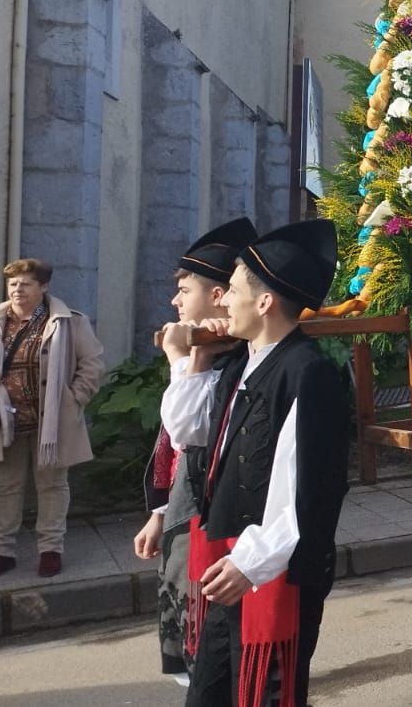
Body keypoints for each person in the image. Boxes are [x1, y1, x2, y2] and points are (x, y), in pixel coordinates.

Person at [159, 219, 349, 707]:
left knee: (263, 694)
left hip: (269, 570)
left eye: (235, 289)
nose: (223, 300)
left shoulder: (308, 373)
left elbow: (309, 491)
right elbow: (195, 433)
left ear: (265, 303)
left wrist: (252, 560)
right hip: (234, 564)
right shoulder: (245, 362)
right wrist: (191, 357)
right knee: (209, 694)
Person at [134, 217, 257, 685]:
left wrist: (186, 358)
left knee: (212, 642)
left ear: (219, 295)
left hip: (218, 516)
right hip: (187, 505)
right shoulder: (212, 346)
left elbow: (187, 426)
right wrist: (161, 511)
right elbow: (178, 445)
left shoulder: (233, 355)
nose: (175, 300)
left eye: (185, 289)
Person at [0, 258, 105, 580]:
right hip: (4, 421)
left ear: (43, 287)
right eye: (12, 284)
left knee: (51, 485)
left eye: (25, 284)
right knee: (5, 487)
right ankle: (1, 552)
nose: (17, 290)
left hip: (50, 421)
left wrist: (74, 399)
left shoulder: (69, 322)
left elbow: (92, 365)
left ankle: (51, 549)